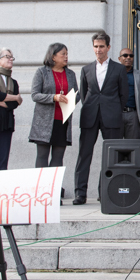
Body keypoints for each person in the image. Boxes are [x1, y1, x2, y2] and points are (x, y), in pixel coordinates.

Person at [75, 31, 128, 205]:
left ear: (108, 47)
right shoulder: (86, 69)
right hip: (90, 117)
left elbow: (123, 95)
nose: (98, 50)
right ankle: (80, 194)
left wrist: (112, 109)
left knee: (110, 156)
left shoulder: (119, 68)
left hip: (111, 117)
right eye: (96, 47)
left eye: (101, 46)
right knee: (84, 155)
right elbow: (84, 94)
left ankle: (104, 192)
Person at [29, 43, 79, 184]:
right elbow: (35, 95)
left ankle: (53, 192)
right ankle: (40, 191)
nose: (66, 57)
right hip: (44, 122)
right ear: (53, 56)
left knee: (58, 157)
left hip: (62, 120)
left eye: (67, 54)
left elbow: (77, 94)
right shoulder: (42, 72)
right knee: (42, 156)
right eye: (63, 54)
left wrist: (71, 100)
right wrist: (53, 97)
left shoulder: (70, 74)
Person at [118, 48, 140, 140]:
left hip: (133, 114)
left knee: (133, 144)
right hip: (117, 114)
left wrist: (138, 111)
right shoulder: (114, 74)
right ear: (119, 58)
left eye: (131, 56)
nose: (128, 58)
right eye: (125, 55)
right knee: (116, 144)